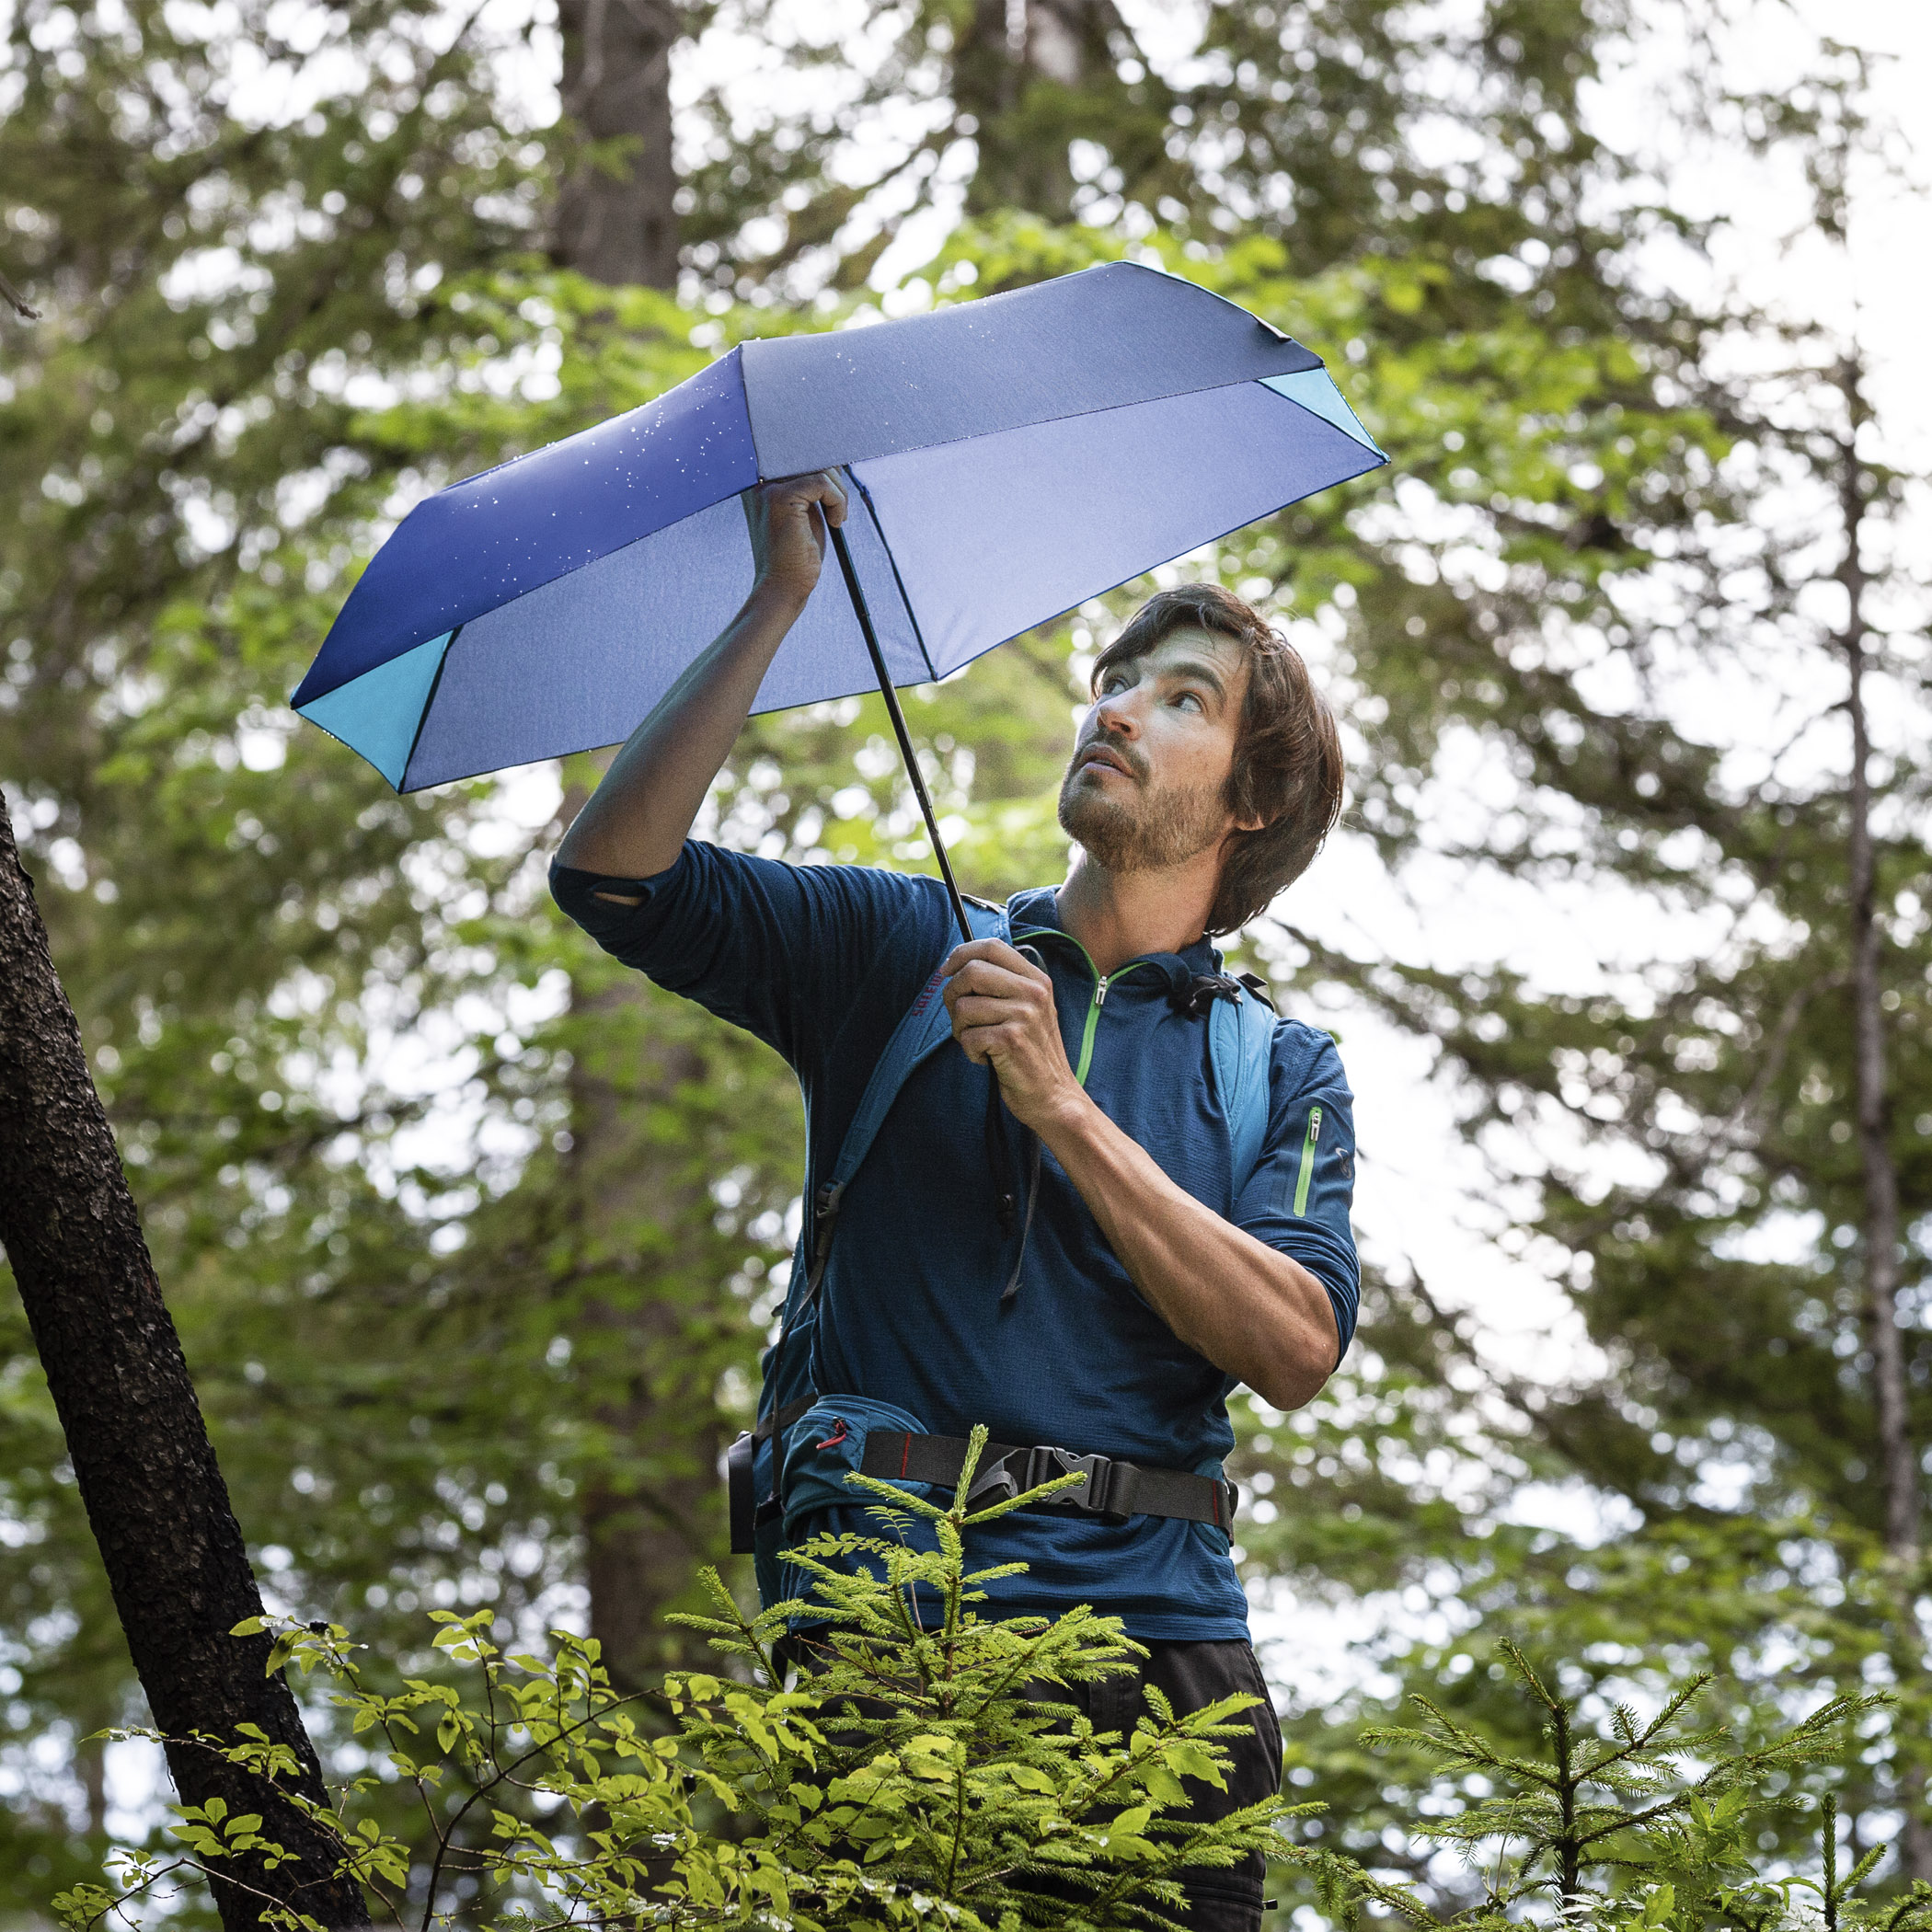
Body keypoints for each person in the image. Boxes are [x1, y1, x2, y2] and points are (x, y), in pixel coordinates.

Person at [551, 471, 1359, 1932]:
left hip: (1165, 1664)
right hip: (887, 1638)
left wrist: (1061, 1105)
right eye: (1116, 683)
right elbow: (615, 878)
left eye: (1182, 699)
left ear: (1255, 801)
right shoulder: (900, 949)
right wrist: (777, 602)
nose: (1118, 711)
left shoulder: (1277, 1068)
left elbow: (1296, 1346)